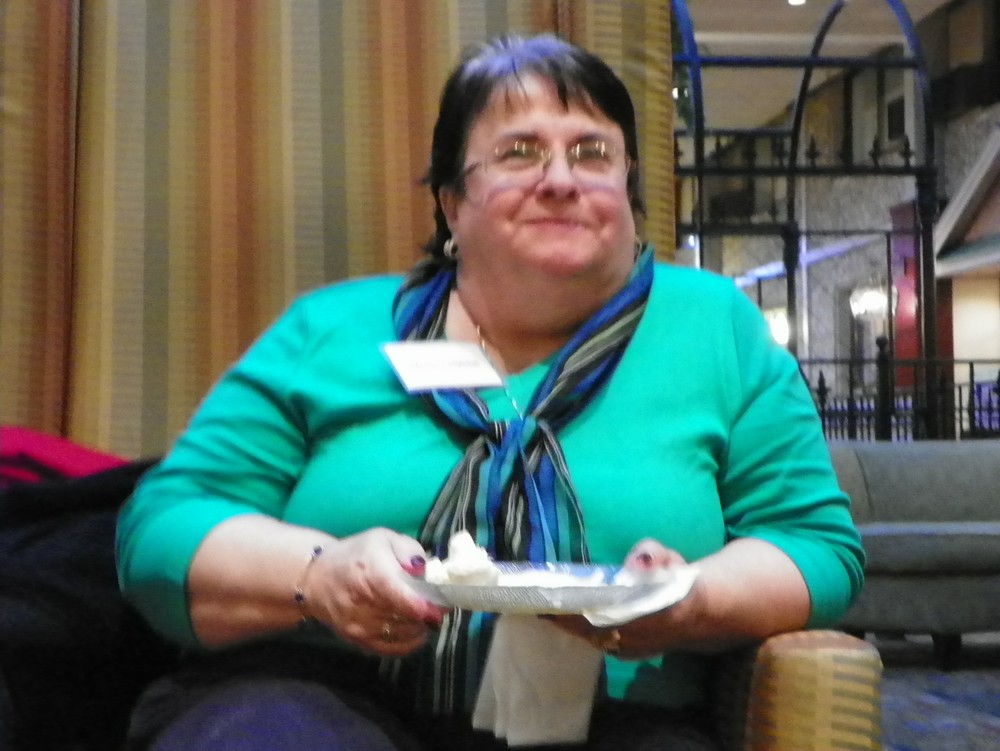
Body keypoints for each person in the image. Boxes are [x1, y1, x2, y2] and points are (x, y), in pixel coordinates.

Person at [116, 33, 864, 751]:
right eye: (519, 153)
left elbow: (813, 545)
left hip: (620, 716)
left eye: (592, 153)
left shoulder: (714, 326)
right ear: (452, 203)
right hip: (314, 694)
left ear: (628, 187)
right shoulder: (331, 328)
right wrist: (320, 574)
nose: (562, 180)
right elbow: (165, 526)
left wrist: (690, 599)